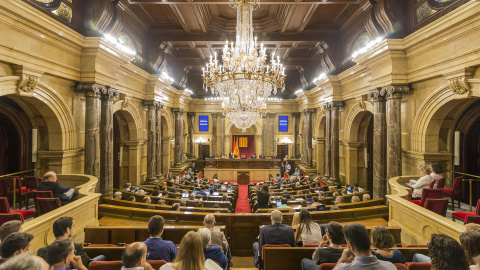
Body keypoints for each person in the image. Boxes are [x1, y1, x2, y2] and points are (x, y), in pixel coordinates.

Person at [37, 217, 104, 267]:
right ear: (68, 229)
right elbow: (88, 264)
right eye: (73, 227)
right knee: (102, 256)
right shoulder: (76, 247)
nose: (73, 229)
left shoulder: (41, 251)